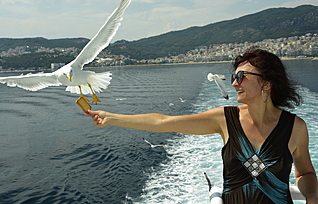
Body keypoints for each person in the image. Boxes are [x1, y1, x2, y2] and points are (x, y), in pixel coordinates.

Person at [86, 48, 318, 204]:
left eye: (242, 76)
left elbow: (306, 173)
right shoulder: (225, 120)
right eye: (234, 76)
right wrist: (112, 117)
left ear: (266, 83)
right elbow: (164, 122)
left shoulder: (295, 128)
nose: (234, 82)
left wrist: (312, 199)